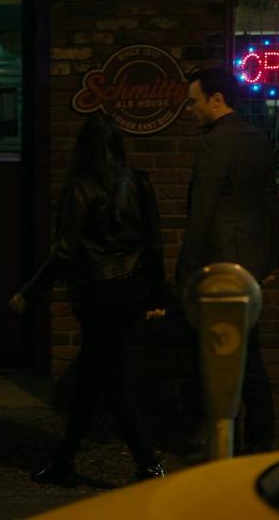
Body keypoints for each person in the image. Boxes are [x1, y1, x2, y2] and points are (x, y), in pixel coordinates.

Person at [10, 114, 167, 486]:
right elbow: (155, 243)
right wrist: (156, 294)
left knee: (112, 380)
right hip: (131, 291)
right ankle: (64, 460)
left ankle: (149, 464)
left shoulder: (80, 189)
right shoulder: (139, 183)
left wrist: (29, 292)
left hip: (99, 293)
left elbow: (64, 253)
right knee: (92, 377)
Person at [176, 67, 279, 453]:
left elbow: (200, 213)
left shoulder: (213, 144)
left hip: (220, 265)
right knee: (249, 353)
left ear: (216, 99)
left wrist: (185, 272)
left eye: (193, 101)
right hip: (251, 262)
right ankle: (259, 436)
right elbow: (270, 202)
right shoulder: (257, 139)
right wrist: (271, 259)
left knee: (220, 354)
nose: (190, 109)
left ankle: (225, 438)